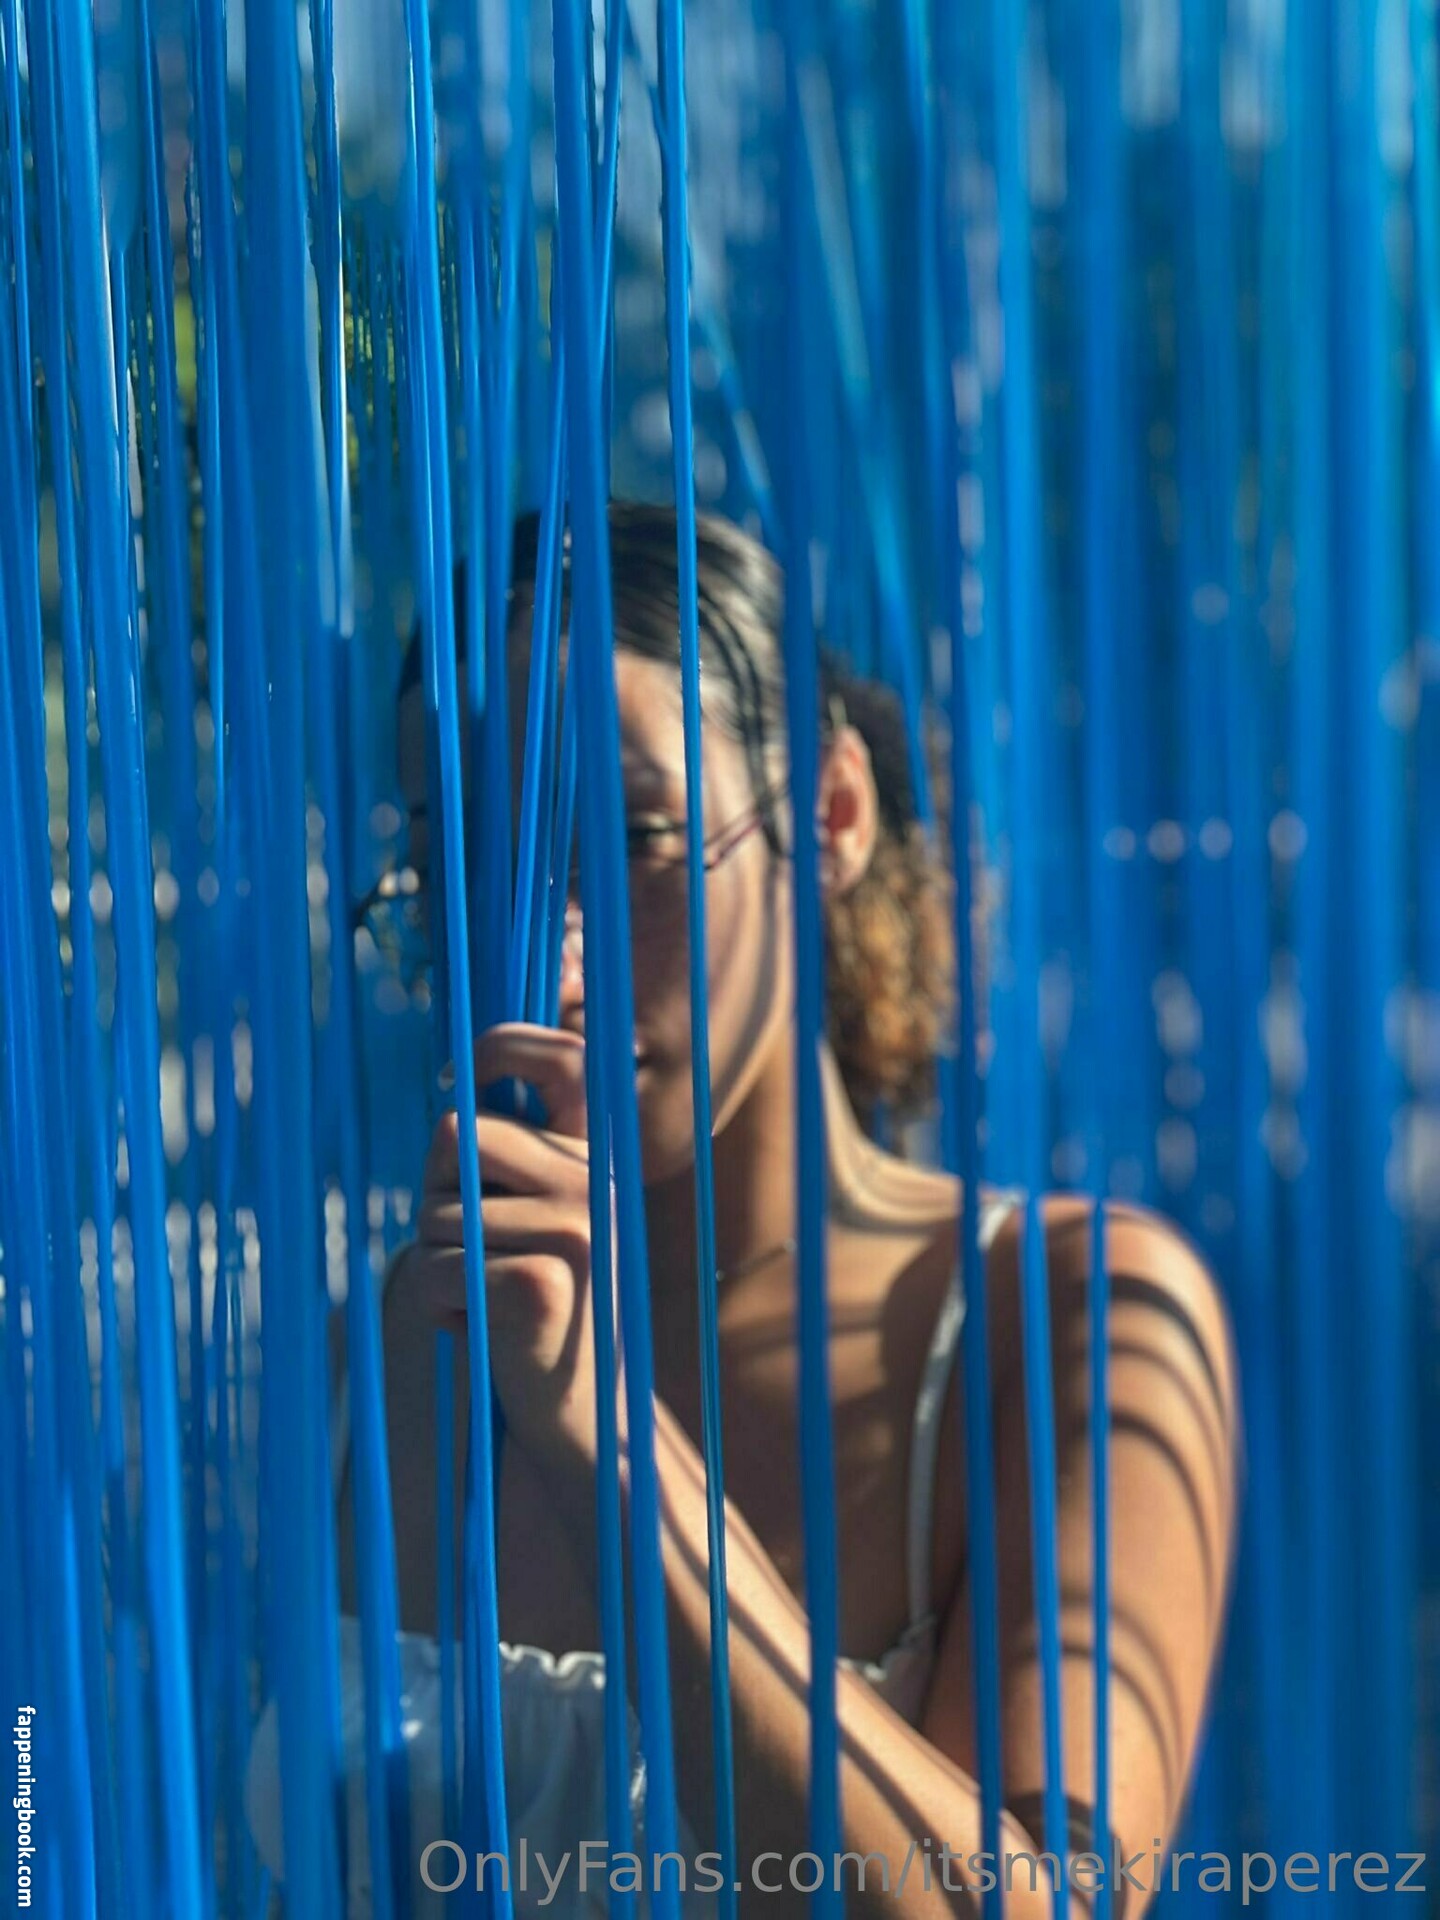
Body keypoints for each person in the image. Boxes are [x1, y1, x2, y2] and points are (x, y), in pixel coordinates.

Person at [248, 503, 1240, 1917]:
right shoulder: (384, 1346)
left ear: (829, 815)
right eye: (457, 862)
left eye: (630, 836)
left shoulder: (1069, 1318)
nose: (544, 963)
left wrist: (612, 1442)